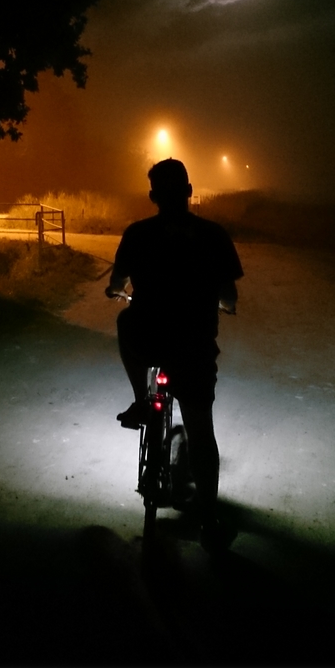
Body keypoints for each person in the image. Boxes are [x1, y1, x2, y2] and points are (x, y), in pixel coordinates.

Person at [105, 158, 243, 552]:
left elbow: (117, 282)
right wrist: (224, 305)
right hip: (194, 348)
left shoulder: (138, 234)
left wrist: (117, 290)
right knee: (201, 432)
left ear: (153, 196)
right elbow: (229, 296)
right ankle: (210, 521)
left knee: (125, 321)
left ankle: (140, 400)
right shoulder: (213, 235)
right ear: (189, 191)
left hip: (149, 339)